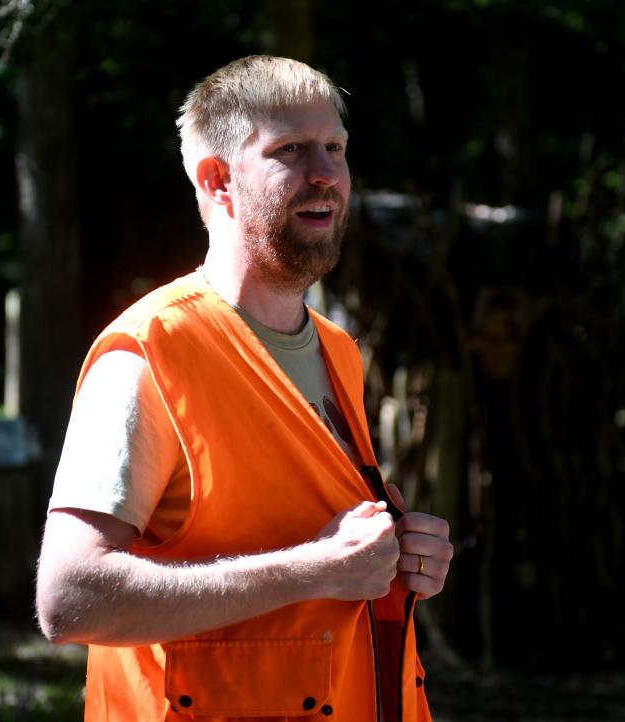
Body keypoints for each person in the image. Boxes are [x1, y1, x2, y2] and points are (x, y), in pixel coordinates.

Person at [35, 55, 453, 722]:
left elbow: (325, 553)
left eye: (335, 148)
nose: (325, 172)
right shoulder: (149, 353)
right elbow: (69, 598)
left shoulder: (338, 352)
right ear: (216, 179)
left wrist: (401, 562)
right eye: (290, 150)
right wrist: (317, 568)